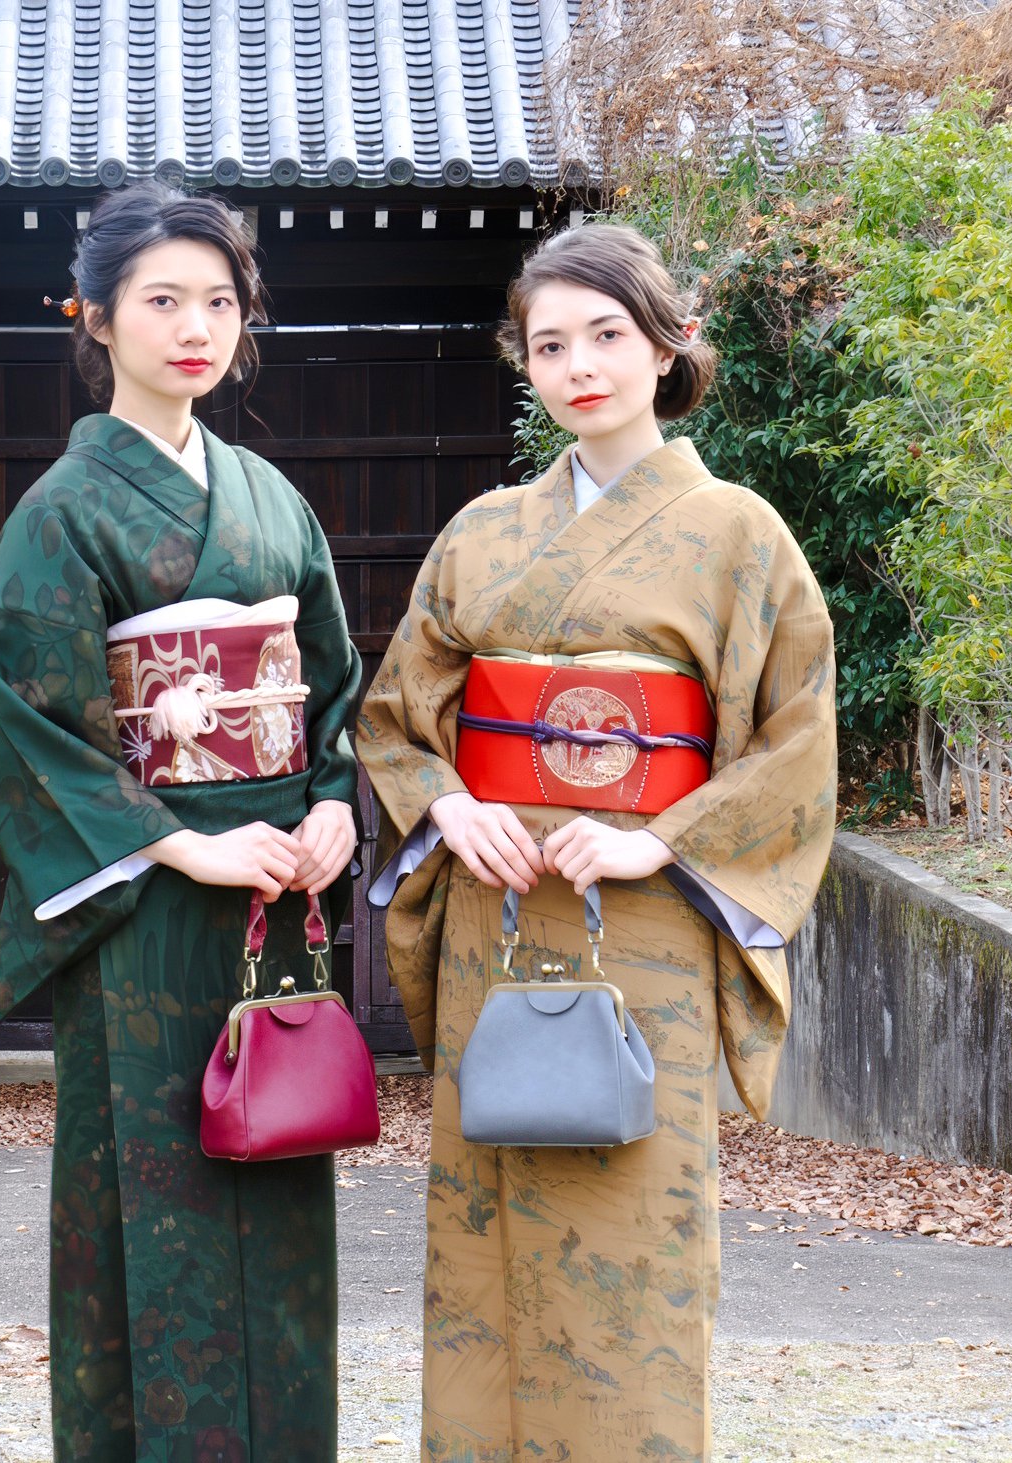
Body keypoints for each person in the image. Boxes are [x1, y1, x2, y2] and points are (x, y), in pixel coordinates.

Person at [355, 223, 839, 1460]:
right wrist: (448, 806)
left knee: (640, 1218)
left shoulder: (740, 533)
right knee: (485, 1217)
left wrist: (660, 840)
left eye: (608, 335)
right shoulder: (483, 531)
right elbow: (399, 716)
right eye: (550, 344)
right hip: (497, 907)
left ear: (670, 344)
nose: (579, 365)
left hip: (646, 921)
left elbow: (796, 741)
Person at [0, 181, 362, 1461]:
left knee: (278, 1169)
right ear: (96, 318)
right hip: (149, 899)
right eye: (162, 301)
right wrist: (185, 841)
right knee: (153, 1183)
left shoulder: (270, 497)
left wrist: (333, 803)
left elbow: (331, 684)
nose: (197, 327)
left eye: (221, 302)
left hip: (275, 889)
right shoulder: (62, 512)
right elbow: (30, 720)